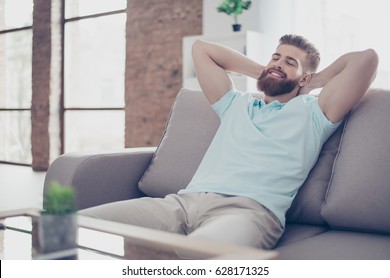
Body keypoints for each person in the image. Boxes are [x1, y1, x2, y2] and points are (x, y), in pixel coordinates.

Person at [80, 34, 378, 250]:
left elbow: (366, 59)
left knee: (202, 256)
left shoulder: (314, 112)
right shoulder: (237, 104)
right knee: (71, 227)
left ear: (304, 77)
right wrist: (265, 72)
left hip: (248, 212)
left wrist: (312, 83)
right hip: (182, 204)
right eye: (275, 56)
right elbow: (202, 49)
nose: (278, 63)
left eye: (290, 62)